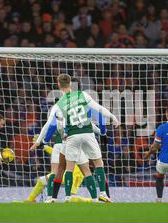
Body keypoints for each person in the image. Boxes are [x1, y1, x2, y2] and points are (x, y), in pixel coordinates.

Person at [30, 73, 119, 203]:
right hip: (87, 133)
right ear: (70, 83)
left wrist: (39, 142)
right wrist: (112, 117)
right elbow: (98, 108)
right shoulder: (83, 95)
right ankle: (103, 194)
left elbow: (48, 125)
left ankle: (65, 197)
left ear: (59, 85)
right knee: (98, 164)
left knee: (67, 168)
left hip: (70, 137)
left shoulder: (58, 105)